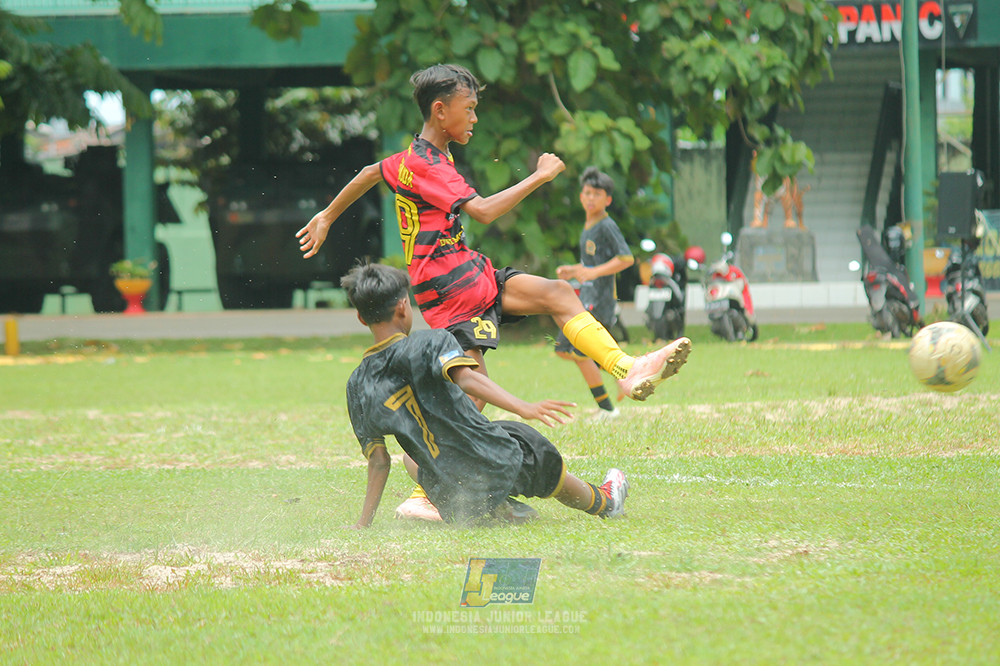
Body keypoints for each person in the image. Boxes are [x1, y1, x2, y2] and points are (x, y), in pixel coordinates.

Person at [298, 63, 689, 520]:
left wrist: (327, 215)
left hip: (463, 270)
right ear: (440, 111)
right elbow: (482, 211)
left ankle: (625, 369)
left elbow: (369, 172)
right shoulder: (429, 167)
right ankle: (426, 493)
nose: (475, 119)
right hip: (451, 286)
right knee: (469, 399)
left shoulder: (409, 160)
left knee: (558, 294)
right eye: (469, 109)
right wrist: (540, 176)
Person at [342, 262, 630, 527]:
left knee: (411, 459)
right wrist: (523, 407)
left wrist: (363, 524)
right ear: (403, 307)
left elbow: (379, 461)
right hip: (493, 459)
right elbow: (468, 379)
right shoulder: (430, 341)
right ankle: (604, 501)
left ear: (359, 317)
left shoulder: (357, 384)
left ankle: (496, 509)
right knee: (527, 445)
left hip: (449, 493)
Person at [554, 167, 633, 419]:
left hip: (600, 300)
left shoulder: (607, 226)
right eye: (587, 193)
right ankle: (625, 375)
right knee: (563, 349)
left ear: (607, 200)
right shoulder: (589, 224)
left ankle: (609, 407)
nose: (590, 198)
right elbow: (591, 264)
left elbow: (626, 258)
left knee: (579, 352)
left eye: (597, 194)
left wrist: (594, 272)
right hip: (585, 297)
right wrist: (575, 270)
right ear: (580, 196)